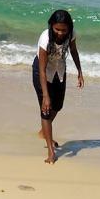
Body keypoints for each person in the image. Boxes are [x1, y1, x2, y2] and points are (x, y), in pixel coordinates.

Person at [33, 9, 84, 164]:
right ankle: (51, 151)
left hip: (59, 70)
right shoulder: (45, 38)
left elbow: (74, 51)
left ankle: (44, 131)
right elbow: (42, 70)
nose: (61, 33)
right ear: (51, 26)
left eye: (64, 30)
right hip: (41, 72)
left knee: (58, 106)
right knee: (46, 109)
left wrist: (80, 72)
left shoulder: (71, 33)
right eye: (57, 29)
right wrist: (46, 96)